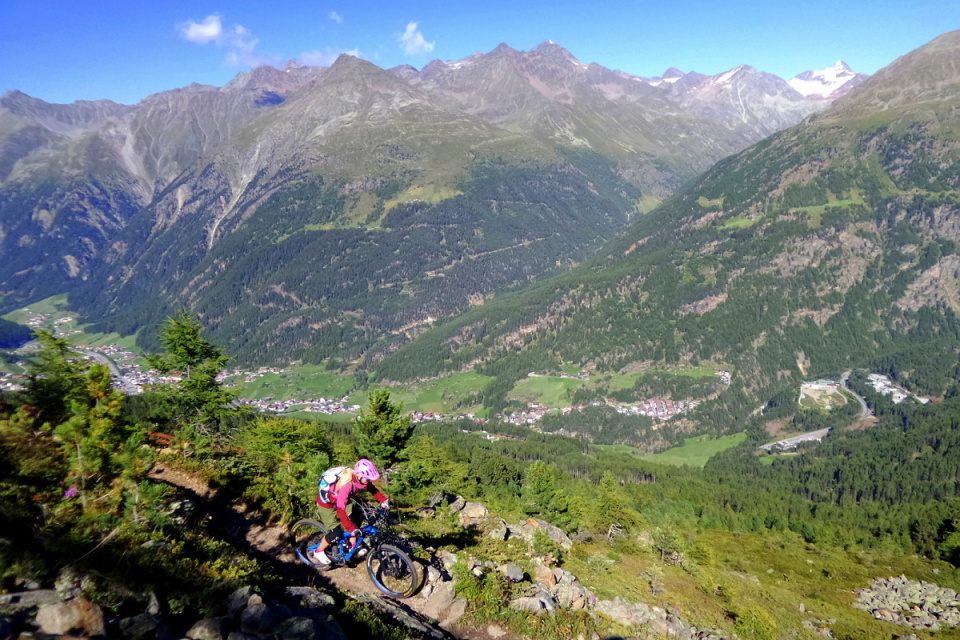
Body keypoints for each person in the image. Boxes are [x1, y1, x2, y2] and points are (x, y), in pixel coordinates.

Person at [312, 459, 389, 567]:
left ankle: (352, 546)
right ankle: (319, 551)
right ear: (358, 475)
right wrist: (350, 528)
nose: (368, 481)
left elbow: (372, 489)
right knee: (335, 532)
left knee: (353, 522)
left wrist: (383, 500)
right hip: (327, 504)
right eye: (367, 478)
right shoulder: (347, 486)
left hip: (343, 500)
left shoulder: (362, 480)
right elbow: (341, 510)